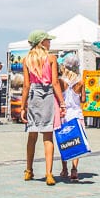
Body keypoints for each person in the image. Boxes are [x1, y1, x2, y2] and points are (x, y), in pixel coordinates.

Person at [20, 30, 65, 186]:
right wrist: (62, 102)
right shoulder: (51, 58)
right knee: (48, 136)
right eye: (47, 40)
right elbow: (55, 83)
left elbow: (26, 85)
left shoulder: (26, 60)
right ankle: (49, 173)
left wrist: (22, 106)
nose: (49, 42)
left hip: (33, 97)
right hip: (47, 97)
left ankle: (28, 170)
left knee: (32, 136)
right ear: (41, 42)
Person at [58, 54, 85, 181]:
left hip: (64, 114)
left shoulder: (61, 81)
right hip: (77, 114)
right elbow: (83, 99)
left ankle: (64, 169)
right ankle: (74, 169)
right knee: (77, 143)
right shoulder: (80, 82)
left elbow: (58, 98)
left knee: (65, 142)